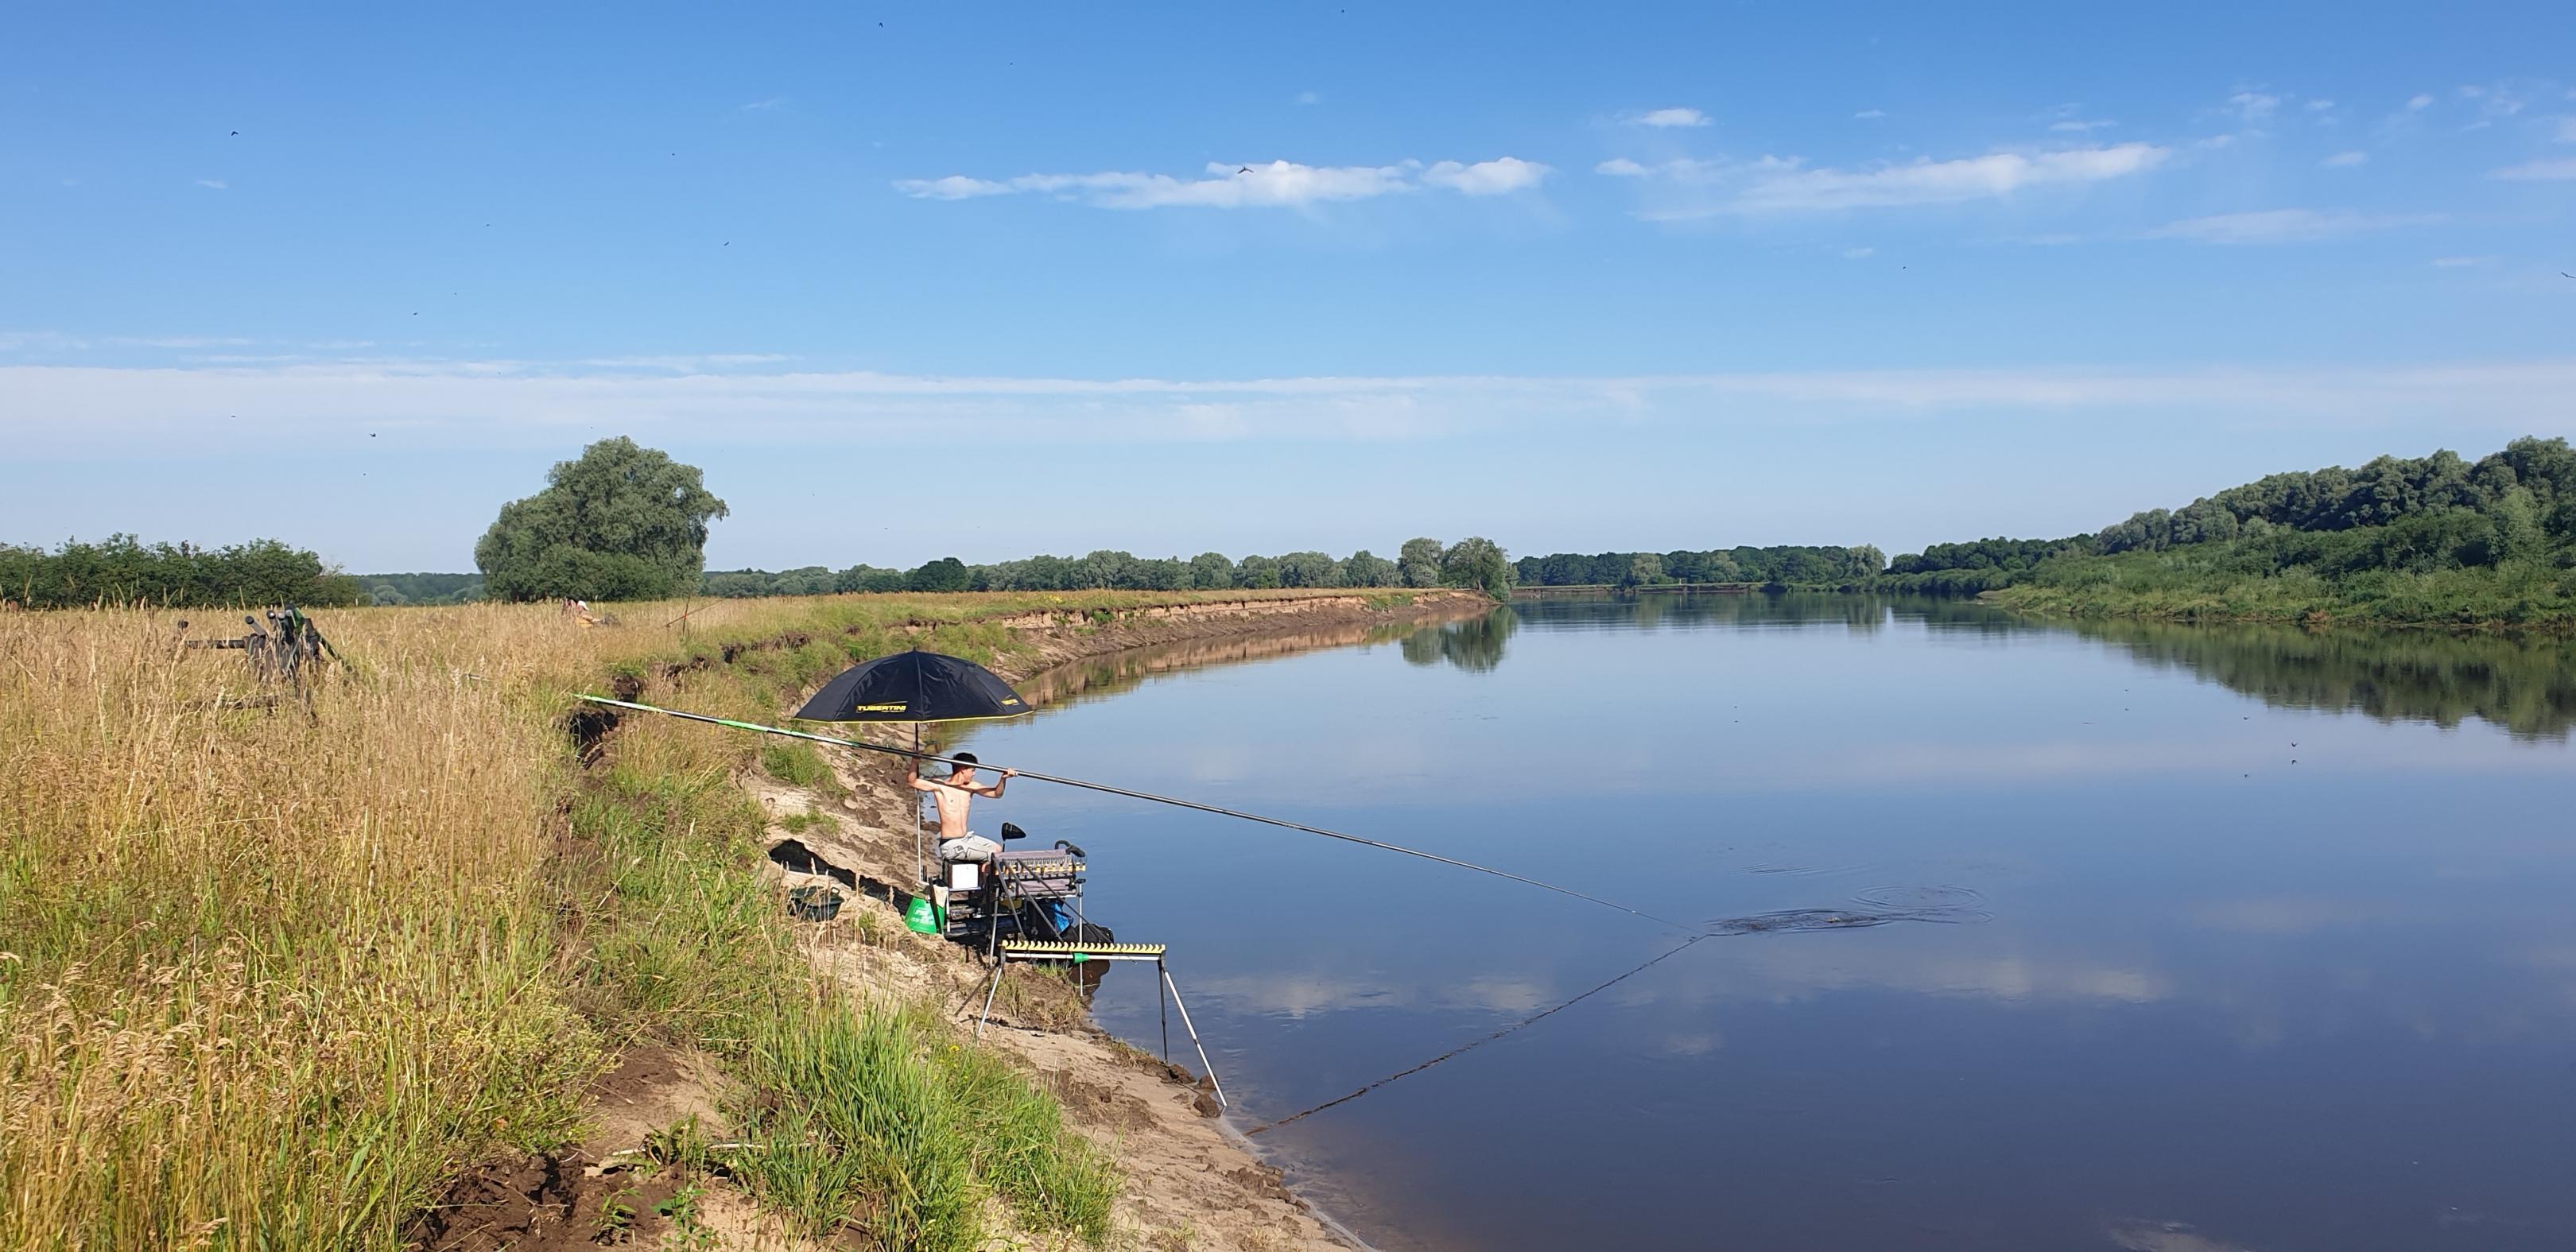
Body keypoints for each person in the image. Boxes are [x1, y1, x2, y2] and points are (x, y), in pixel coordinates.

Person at [911, 752, 1016, 891]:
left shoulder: (971, 787)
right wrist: (914, 762)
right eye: (972, 770)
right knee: (994, 856)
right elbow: (912, 781)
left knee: (998, 850)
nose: (974, 774)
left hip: (966, 839)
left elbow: (996, 794)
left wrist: (1003, 779)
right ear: (962, 769)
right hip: (951, 844)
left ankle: (984, 887)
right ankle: (985, 893)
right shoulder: (940, 786)